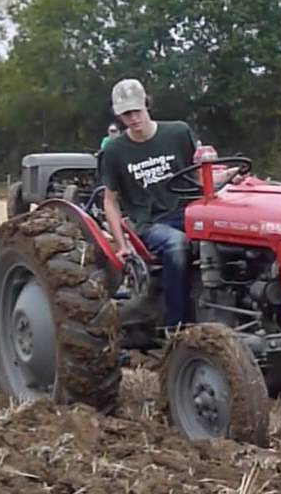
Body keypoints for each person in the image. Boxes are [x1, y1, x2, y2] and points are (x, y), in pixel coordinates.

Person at [99, 78, 235, 329]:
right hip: (151, 223)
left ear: (147, 105)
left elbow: (198, 176)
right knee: (176, 244)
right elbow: (110, 201)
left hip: (189, 211)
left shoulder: (178, 132)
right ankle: (176, 327)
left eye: (137, 111)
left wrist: (230, 175)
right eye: (126, 114)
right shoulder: (115, 151)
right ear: (119, 116)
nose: (133, 118)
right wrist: (121, 245)